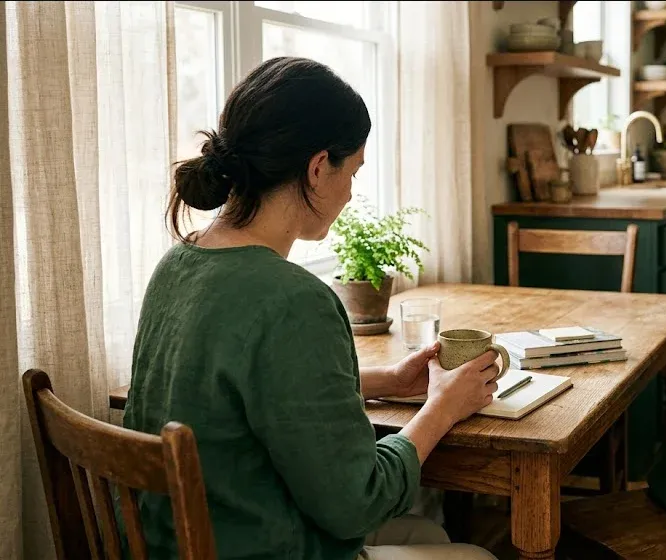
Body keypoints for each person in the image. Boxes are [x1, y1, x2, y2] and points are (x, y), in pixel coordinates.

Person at [122, 56, 499, 560]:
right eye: (353, 172)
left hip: (176, 543)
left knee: (428, 537)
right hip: (258, 548)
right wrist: (442, 408)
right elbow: (358, 503)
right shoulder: (293, 300)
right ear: (319, 168)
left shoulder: (178, 262)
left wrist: (387, 380)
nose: (351, 193)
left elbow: (237, 393)